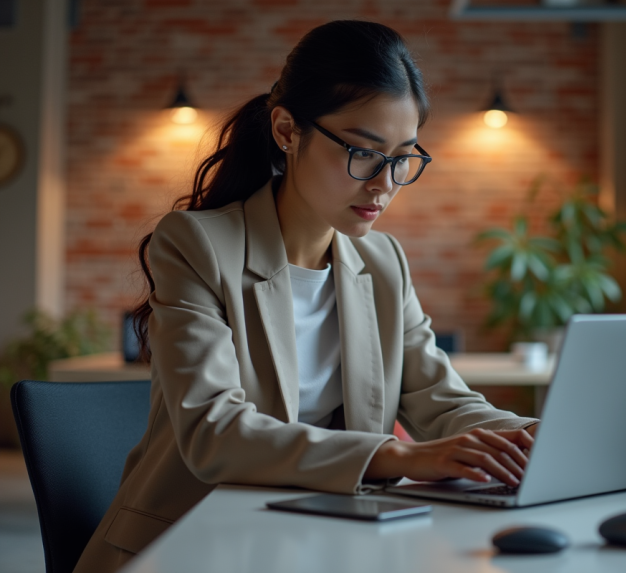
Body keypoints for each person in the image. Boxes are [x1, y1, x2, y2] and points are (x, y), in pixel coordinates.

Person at [74, 20, 539, 573]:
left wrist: (532, 437)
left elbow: (442, 400)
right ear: (288, 131)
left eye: (402, 158)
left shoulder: (382, 261)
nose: (383, 184)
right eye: (363, 153)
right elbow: (214, 432)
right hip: (193, 542)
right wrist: (399, 455)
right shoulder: (197, 244)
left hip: (318, 538)